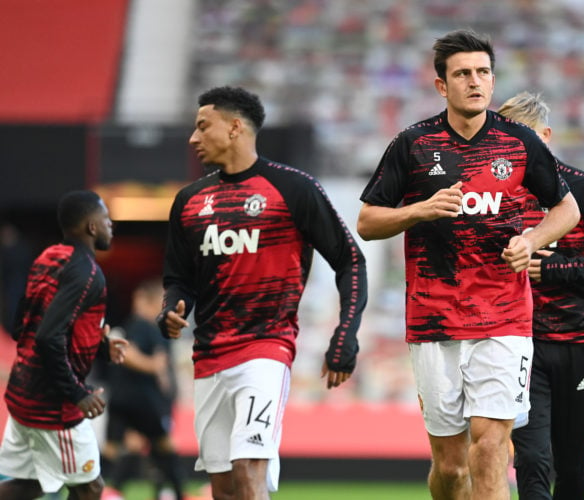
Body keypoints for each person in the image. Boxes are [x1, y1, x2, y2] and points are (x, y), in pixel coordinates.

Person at [357, 30, 580, 500]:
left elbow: (567, 209)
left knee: (490, 445)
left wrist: (533, 238)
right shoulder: (412, 144)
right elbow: (367, 221)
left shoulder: (520, 142)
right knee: (452, 467)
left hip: (504, 317)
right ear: (442, 86)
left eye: (482, 72)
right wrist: (418, 210)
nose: (474, 82)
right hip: (434, 319)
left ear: (493, 81)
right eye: (462, 74)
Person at [158, 85, 368, 499]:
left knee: (248, 471)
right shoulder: (189, 201)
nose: (193, 138)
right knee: (224, 488)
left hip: (265, 350)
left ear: (235, 127)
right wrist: (171, 307)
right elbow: (177, 278)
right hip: (208, 357)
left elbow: (350, 260)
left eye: (203, 126)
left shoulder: (294, 189)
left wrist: (346, 333)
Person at [497, 91, 584, 499]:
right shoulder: (498, 195)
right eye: (509, 138)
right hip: (521, 343)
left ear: (547, 135)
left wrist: (557, 269)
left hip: (577, 342)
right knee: (532, 459)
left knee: (570, 467)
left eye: (526, 138)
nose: (518, 148)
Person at [0, 190, 128, 500]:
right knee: (90, 488)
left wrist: (97, 345)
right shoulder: (87, 274)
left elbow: (23, 327)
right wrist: (77, 393)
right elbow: (46, 336)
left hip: (22, 394)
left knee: (27, 485)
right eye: (105, 218)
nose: (111, 224)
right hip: (53, 404)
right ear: (91, 226)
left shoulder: (47, 257)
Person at [101, 278, 184, 500]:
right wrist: (153, 366)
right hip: (142, 399)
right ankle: (176, 493)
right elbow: (128, 354)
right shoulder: (142, 325)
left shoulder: (144, 326)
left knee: (117, 448)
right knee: (164, 446)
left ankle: (101, 491)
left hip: (122, 396)